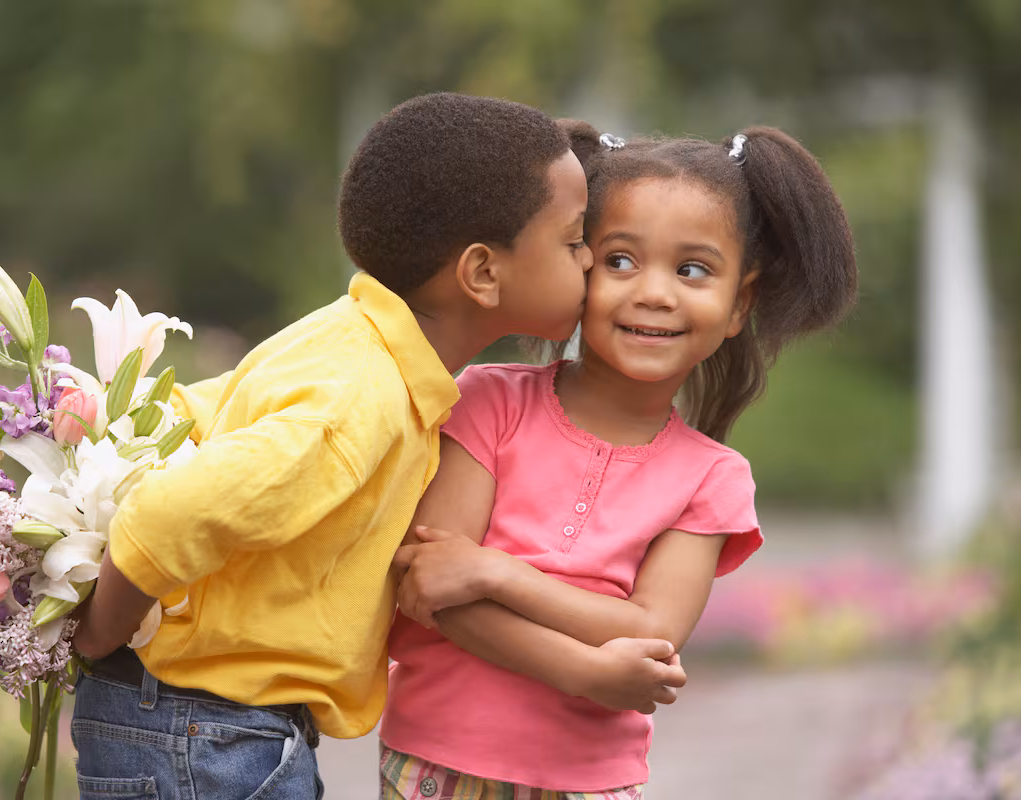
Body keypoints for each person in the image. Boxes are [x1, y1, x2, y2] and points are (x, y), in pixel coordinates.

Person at [66, 93, 672, 800]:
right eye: (573, 240)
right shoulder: (361, 398)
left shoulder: (347, 340)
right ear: (482, 273)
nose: (591, 259)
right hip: (201, 733)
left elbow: (194, 415)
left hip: (209, 727)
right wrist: (97, 636)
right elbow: (167, 515)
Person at [380, 122, 859, 798]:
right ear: (579, 267)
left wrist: (494, 572)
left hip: (592, 784)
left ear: (737, 305)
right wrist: (587, 669)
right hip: (436, 766)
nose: (655, 293)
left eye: (692, 270)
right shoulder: (488, 402)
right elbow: (430, 588)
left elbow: (651, 631)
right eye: (621, 261)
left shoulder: (713, 480)